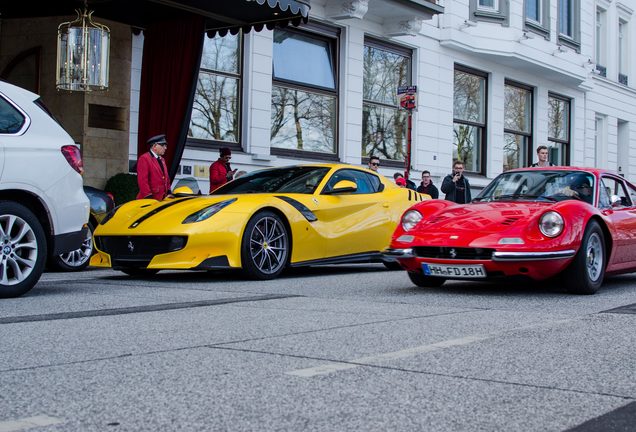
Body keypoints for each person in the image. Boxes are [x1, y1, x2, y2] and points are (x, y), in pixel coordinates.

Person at [136, 134, 172, 200]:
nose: (165, 148)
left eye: (165, 145)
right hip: (149, 200)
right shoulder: (144, 158)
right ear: (155, 146)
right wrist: (148, 197)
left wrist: (169, 192)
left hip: (162, 200)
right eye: (163, 145)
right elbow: (143, 181)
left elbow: (167, 179)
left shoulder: (162, 160)